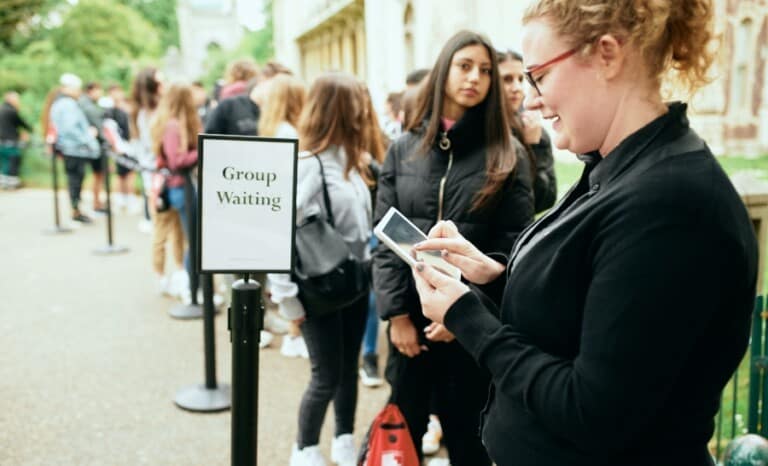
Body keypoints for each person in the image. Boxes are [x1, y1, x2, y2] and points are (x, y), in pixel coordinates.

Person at [410, 1, 758, 465]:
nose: (530, 99)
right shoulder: (617, 166)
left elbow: (594, 411)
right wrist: (495, 279)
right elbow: (585, 315)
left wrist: (467, 317)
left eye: (540, 76)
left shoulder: (670, 204)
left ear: (606, 54)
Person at [373, 30, 534, 466]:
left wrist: (464, 312)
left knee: (470, 442)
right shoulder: (404, 149)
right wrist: (397, 316)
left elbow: (513, 248)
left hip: (469, 332)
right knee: (401, 438)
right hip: (411, 331)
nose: (475, 78)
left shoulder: (508, 155)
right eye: (465, 66)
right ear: (445, 70)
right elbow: (384, 239)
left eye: (485, 70)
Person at [268, 72, 373, 466]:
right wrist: (287, 299)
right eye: (358, 101)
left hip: (356, 282)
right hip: (320, 286)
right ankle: (305, 448)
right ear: (340, 109)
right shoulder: (308, 165)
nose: (365, 109)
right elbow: (278, 232)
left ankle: (343, 440)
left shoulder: (351, 160)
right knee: (325, 374)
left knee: (348, 369)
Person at [257, 73, 309, 358]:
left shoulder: (272, 128)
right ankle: (294, 335)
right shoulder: (289, 133)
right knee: (290, 276)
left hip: (274, 210)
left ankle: (294, 333)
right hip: (287, 212)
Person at [150, 84, 201, 299]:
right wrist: (201, 150)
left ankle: (190, 285)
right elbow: (177, 160)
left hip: (181, 187)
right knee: (193, 240)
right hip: (179, 188)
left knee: (188, 239)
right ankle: (191, 289)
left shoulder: (174, 124)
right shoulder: (172, 127)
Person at [498, 50, 557, 213]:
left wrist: (532, 148)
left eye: (520, 79)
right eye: (507, 79)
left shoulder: (535, 133)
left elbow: (544, 199)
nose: (516, 88)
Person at [50, 73, 101, 223]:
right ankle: (75, 211)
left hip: (72, 148)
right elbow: (71, 128)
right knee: (75, 181)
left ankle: (76, 209)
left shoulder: (61, 103)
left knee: (75, 180)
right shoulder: (67, 105)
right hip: (74, 149)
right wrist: (87, 138)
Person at [79, 81, 107, 213]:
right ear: (91, 90)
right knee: (98, 175)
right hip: (95, 145)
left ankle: (97, 202)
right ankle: (97, 203)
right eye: (98, 90)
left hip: (89, 145)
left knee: (96, 175)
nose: (100, 94)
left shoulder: (84, 104)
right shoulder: (88, 107)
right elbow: (100, 127)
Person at [0, 91, 31, 189]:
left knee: (4, 162)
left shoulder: (1, 109)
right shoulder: (11, 111)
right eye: (16, 99)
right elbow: (23, 124)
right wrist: (28, 130)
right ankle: (12, 184)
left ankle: (4, 183)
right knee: (13, 161)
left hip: (2, 141)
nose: (18, 101)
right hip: (10, 141)